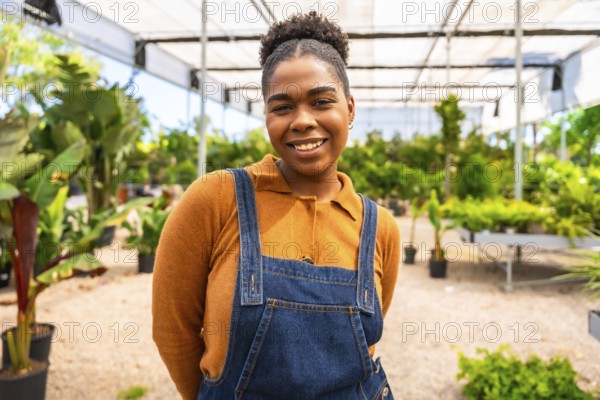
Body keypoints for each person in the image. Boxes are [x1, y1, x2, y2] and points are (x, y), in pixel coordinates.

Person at [152, 11, 400, 400]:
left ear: (349, 110)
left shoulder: (378, 226)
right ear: (266, 115)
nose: (302, 121)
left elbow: (364, 347)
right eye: (282, 107)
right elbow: (173, 329)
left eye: (321, 102)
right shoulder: (217, 200)